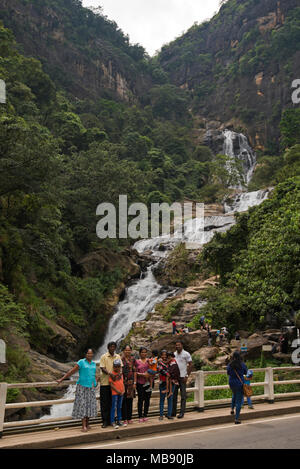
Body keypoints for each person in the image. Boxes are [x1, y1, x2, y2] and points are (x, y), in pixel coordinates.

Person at [57, 348, 97, 433]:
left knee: (89, 405)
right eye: (88, 353)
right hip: (82, 387)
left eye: (91, 353)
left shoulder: (94, 364)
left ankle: (87, 424)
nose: (89, 355)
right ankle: (83, 426)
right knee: (82, 405)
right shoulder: (81, 362)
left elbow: (93, 374)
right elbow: (71, 371)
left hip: (91, 387)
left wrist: (95, 383)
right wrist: (62, 379)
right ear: (85, 354)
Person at [99, 341, 123, 428]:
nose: (112, 348)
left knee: (113, 404)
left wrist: (119, 374)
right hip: (105, 383)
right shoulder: (104, 357)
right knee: (105, 403)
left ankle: (113, 420)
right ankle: (105, 421)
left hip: (116, 384)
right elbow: (102, 367)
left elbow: (121, 367)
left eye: (114, 347)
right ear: (108, 348)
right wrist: (110, 374)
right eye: (111, 347)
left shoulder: (118, 356)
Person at [172, 341, 193, 419]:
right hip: (175, 378)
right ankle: (173, 412)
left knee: (183, 396)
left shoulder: (186, 354)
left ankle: (182, 412)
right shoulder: (174, 354)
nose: (177, 346)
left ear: (182, 345)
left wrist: (187, 376)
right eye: (176, 345)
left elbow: (191, 365)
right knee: (174, 395)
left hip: (183, 377)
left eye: (179, 345)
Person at [227, 351, 248, 424]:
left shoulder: (230, 364)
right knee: (239, 401)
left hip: (232, 383)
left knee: (234, 395)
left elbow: (228, 373)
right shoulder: (242, 364)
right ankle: (236, 419)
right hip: (239, 383)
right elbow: (246, 372)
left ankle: (232, 409)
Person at [121, 344, 137, 425]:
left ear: (131, 351)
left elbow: (135, 371)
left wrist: (134, 382)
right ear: (124, 351)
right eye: (126, 350)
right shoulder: (121, 359)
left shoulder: (133, 359)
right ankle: (124, 418)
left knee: (130, 401)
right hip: (123, 383)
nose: (127, 351)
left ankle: (130, 418)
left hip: (131, 383)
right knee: (124, 401)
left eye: (129, 350)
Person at [135, 347, 152, 423]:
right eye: (142, 352)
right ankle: (140, 416)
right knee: (140, 399)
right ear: (139, 353)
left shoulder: (149, 361)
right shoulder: (137, 361)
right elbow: (135, 372)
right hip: (140, 383)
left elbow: (153, 369)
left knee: (147, 400)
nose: (144, 354)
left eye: (145, 352)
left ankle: (145, 415)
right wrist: (142, 375)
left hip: (148, 383)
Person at [109, 359, 125, 429]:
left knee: (119, 407)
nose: (117, 368)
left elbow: (122, 382)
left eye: (118, 366)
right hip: (115, 393)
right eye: (115, 366)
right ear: (113, 367)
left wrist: (123, 390)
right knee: (114, 407)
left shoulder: (121, 374)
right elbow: (111, 384)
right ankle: (112, 421)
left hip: (121, 392)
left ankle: (119, 420)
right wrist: (117, 390)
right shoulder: (112, 374)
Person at [157, 350, 172, 420]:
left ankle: (169, 414)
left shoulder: (170, 362)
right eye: (162, 355)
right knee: (162, 399)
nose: (164, 356)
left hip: (170, 382)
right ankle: (161, 415)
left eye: (165, 355)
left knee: (170, 399)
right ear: (161, 356)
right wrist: (167, 374)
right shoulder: (159, 363)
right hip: (162, 382)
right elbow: (160, 370)